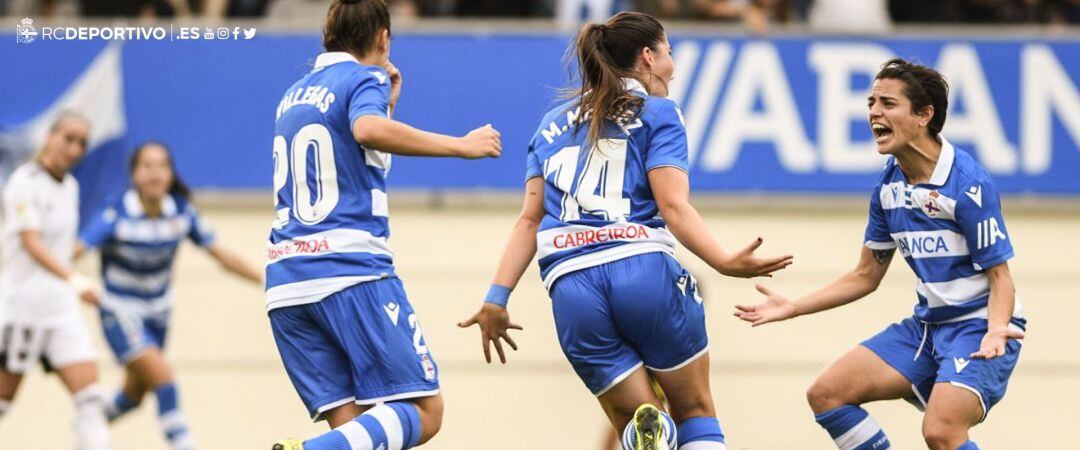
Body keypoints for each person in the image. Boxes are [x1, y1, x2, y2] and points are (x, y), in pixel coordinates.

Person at [458, 11, 791, 450]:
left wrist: (495, 299)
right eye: (669, 52)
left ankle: (644, 433)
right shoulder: (658, 111)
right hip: (641, 267)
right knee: (695, 411)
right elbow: (673, 206)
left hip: (572, 287)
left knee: (635, 420)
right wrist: (724, 260)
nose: (673, 65)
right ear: (649, 58)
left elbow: (528, 220)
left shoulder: (549, 126)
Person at [734, 58, 1026, 450]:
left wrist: (994, 331)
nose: (873, 112)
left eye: (888, 103)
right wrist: (794, 306)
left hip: (978, 326)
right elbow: (866, 275)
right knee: (827, 394)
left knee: (940, 431)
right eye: (871, 102)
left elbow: (1000, 277)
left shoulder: (968, 185)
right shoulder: (888, 189)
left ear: (924, 115)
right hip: (927, 328)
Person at [267, 0, 501, 449]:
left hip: (285, 282)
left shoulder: (293, 94)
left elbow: (349, 145)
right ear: (382, 38)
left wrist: (386, 107)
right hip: (348, 270)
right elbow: (367, 130)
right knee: (426, 412)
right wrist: (461, 145)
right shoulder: (363, 77)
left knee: (358, 436)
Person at [76, 141, 263, 450]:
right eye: (147, 166)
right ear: (134, 174)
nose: (155, 173)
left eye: (162, 166)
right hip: (119, 311)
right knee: (164, 381)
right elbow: (76, 250)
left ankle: (90, 422)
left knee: (134, 396)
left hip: (159, 313)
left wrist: (266, 280)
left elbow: (221, 255)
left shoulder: (181, 213)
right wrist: (73, 281)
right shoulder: (116, 214)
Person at [0, 112, 110, 449]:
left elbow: (61, 248)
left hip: (61, 310)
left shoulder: (71, 187)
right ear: (50, 137)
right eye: (69, 138)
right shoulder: (24, 182)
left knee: (90, 398)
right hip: (23, 307)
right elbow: (32, 243)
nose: (75, 148)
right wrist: (76, 281)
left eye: (82, 143)